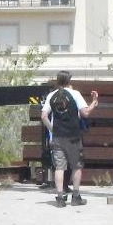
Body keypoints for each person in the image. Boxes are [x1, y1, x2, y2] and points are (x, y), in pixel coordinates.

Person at [40, 71, 99, 207]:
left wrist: (52, 129)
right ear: (69, 81)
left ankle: (60, 198)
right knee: (76, 166)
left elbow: (44, 116)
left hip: (58, 136)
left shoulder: (51, 96)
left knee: (59, 167)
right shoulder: (75, 94)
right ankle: (76, 196)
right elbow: (85, 113)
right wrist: (94, 103)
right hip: (73, 136)